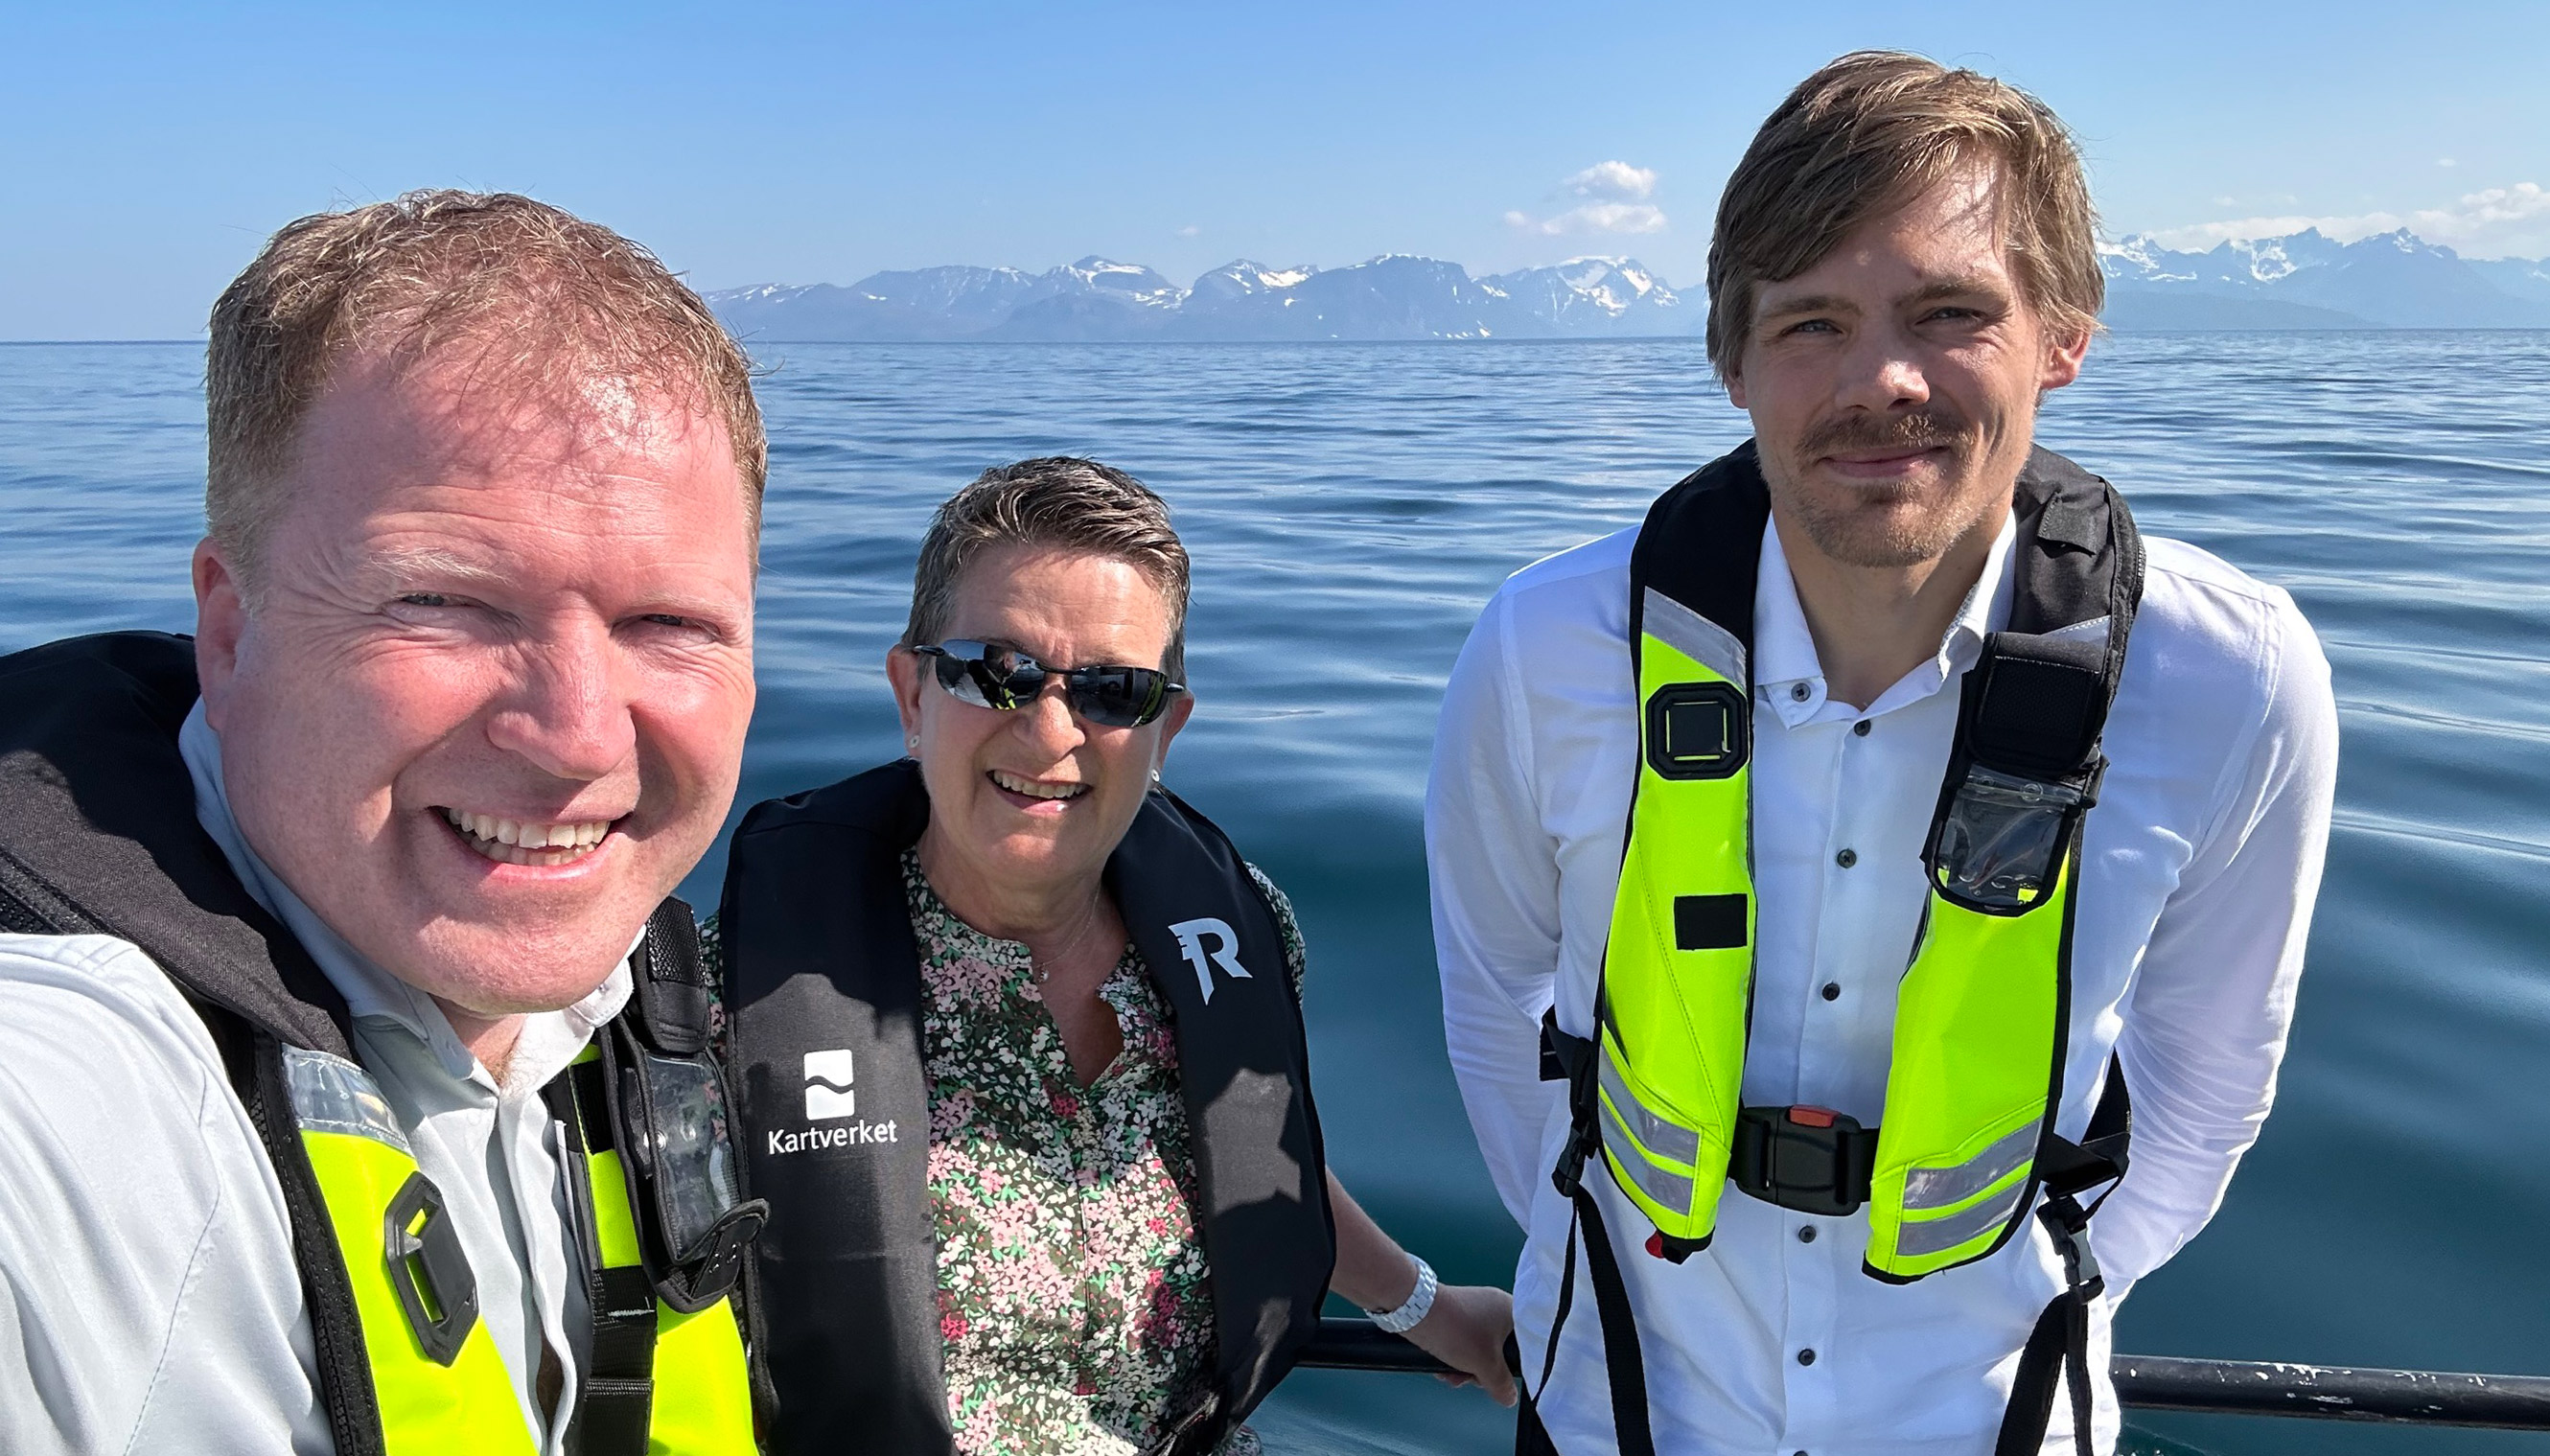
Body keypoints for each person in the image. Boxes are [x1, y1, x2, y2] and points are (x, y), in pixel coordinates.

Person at [1427, 52, 2338, 1456]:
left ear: (2063, 336)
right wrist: (1575, 1238)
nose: (1881, 380)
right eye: (1810, 323)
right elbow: (1497, 1004)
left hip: (1991, 1408)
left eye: (1950, 310)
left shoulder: (2234, 677)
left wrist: (2037, 1277)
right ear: (1729, 358)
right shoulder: (1546, 650)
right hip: (1628, 1394)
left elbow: (2211, 1081)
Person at [0, 191, 773, 1454]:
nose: (581, 733)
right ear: (232, 630)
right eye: (446, 602)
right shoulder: (77, 1103)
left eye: (666, 624)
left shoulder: (635, 1001)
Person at [715, 457, 1516, 1455]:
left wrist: (1430, 1309)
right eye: (991, 670)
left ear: (1166, 728)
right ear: (912, 694)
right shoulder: (741, 1002)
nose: (1050, 729)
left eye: (1112, 690)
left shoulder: (1237, 934)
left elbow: (1255, 1157)